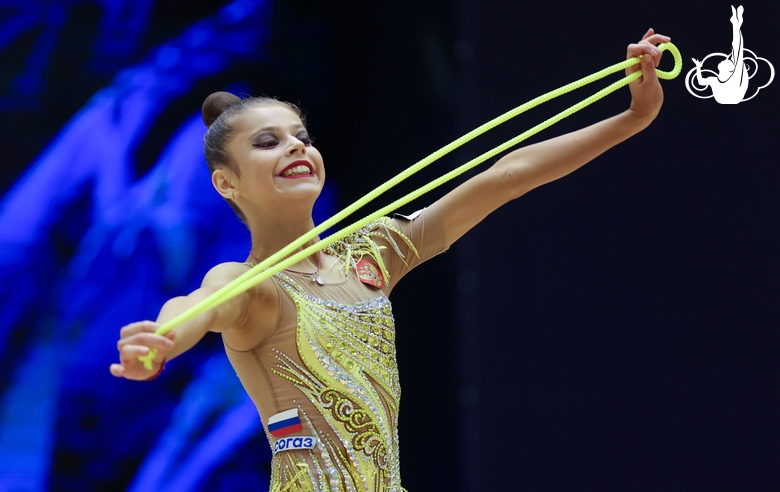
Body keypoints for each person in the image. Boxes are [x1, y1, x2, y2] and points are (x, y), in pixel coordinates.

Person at [110, 29, 671, 492]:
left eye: (301, 137)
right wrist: (162, 338)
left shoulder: (372, 253)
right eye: (268, 142)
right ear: (225, 183)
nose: (296, 148)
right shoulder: (253, 286)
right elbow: (199, 304)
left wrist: (631, 120)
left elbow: (506, 174)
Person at [692, 5, 748, 104]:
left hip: (734, 95)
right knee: (736, 51)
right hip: (726, 97)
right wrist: (698, 67)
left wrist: (736, 26)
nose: (725, 59)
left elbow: (737, 48)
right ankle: (736, 24)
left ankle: (736, 24)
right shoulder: (714, 80)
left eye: (728, 61)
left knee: (737, 51)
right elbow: (701, 82)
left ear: (730, 70)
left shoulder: (734, 77)